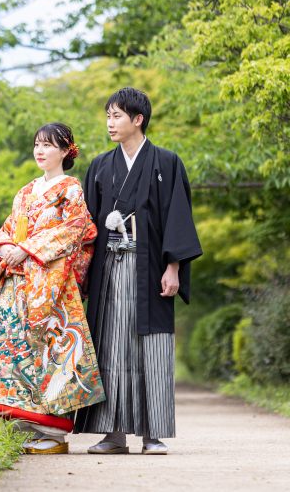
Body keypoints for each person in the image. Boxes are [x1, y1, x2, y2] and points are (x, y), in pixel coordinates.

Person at [0, 123, 105, 455]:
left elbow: (78, 231)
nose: (40, 151)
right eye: (37, 144)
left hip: (52, 283)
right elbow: (9, 228)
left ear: (67, 151)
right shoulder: (25, 192)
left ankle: (53, 433)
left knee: (49, 350)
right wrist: (10, 247)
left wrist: (28, 249)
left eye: (49, 145)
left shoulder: (71, 190)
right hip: (19, 279)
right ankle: (23, 426)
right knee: (14, 349)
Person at [73, 88, 202, 455]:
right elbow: (87, 228)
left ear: (137, 119)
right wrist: (81, 276)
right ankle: (112, 432)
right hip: (109, 271)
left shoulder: (166, 162)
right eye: (108, 116)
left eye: (116, 116)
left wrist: (174, 267)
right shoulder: (100, 165)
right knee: (110, 348)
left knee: (153, 348)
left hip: (151, 270)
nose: (109, 123)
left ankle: (152, 433)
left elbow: (178, 217)